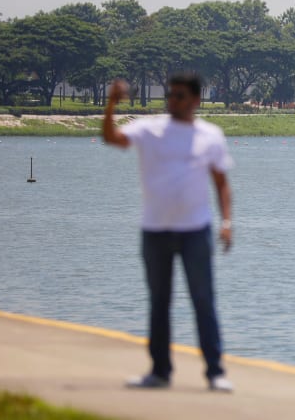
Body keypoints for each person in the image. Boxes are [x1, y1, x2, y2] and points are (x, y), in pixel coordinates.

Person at [103, 72, 234, 392]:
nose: (172, 101)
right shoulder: (150, 129)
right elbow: (112, 138)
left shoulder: (211, 135)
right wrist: (110, 104)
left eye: (179, 96)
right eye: (170, 95)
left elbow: (221, 183)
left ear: (195, 100)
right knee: (159, 302)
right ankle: (159, 372)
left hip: (195, 232)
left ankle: (215, 372)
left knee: (203, 300)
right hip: (156, 231)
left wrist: (227, 223)